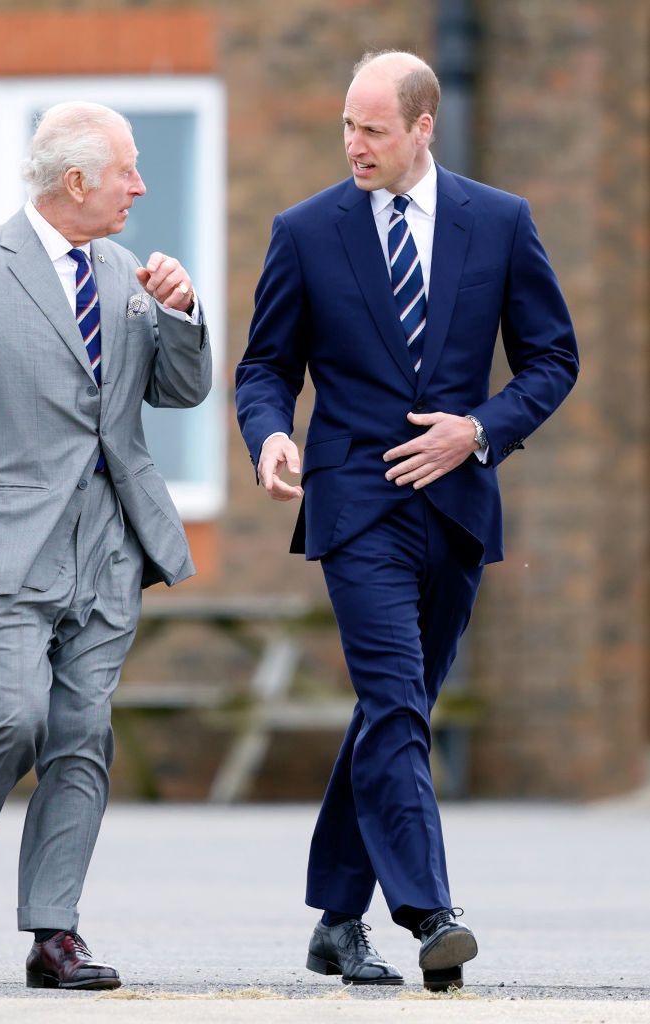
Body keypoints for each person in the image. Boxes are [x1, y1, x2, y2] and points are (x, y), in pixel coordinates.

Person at [235, 51, 578, 990]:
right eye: (347, 126)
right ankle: (429, 910)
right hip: (352, 503)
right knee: (392, 700)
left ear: (423, 127)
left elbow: (551, 357)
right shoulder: (305, 231)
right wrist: (268, 437)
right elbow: (265, 367)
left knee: (398, 709)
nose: (354, 144)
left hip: (458, 505)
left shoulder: (499, 222)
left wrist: (479, 431)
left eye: (373, 129)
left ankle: (335, 920)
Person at [0, 101, 211, 990]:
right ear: (76, 181)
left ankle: (53, 933)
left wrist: (180, 314)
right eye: (127, 172)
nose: (140, 187)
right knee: (12, 715)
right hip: (3, 547)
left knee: (80, 733)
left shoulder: (125, 272)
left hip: (111, 546)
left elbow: (179, 394)